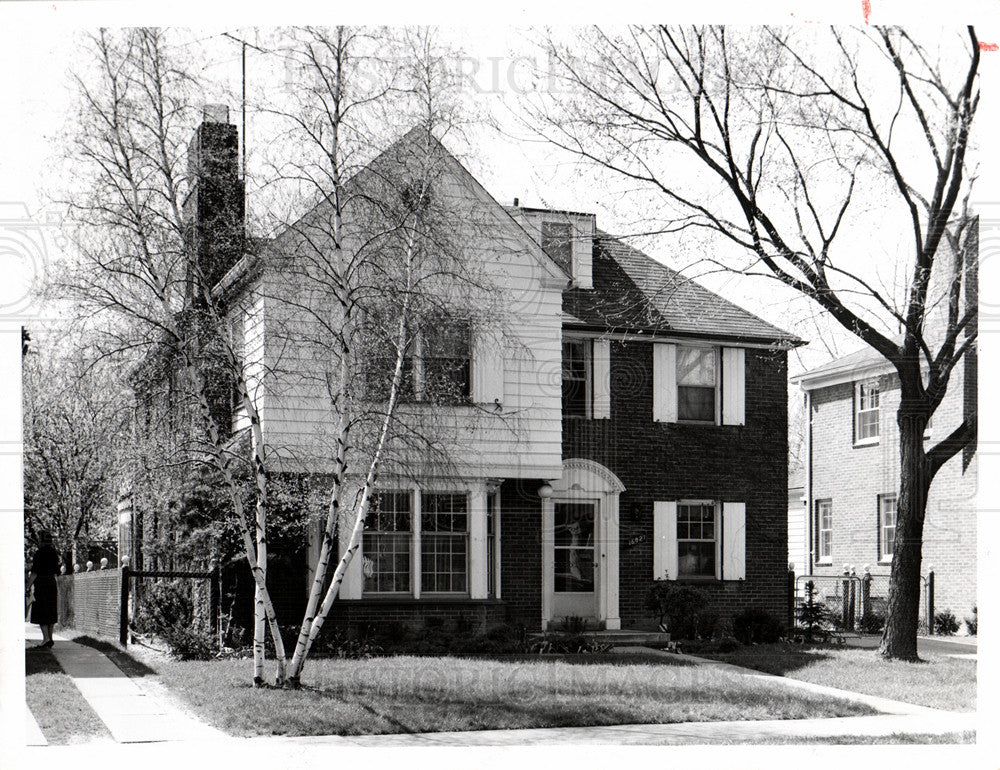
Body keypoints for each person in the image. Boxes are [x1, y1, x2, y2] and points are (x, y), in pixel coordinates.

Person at [26, 531, 60, 649]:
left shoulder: (39, 554)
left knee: (41, 610)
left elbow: (35, 572)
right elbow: (57, 571)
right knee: (50, 610)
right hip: (51, 582)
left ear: (41, 540)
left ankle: (45, 639)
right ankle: (50, 638)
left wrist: (28, 586)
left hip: (41, 583)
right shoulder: (54, 553)